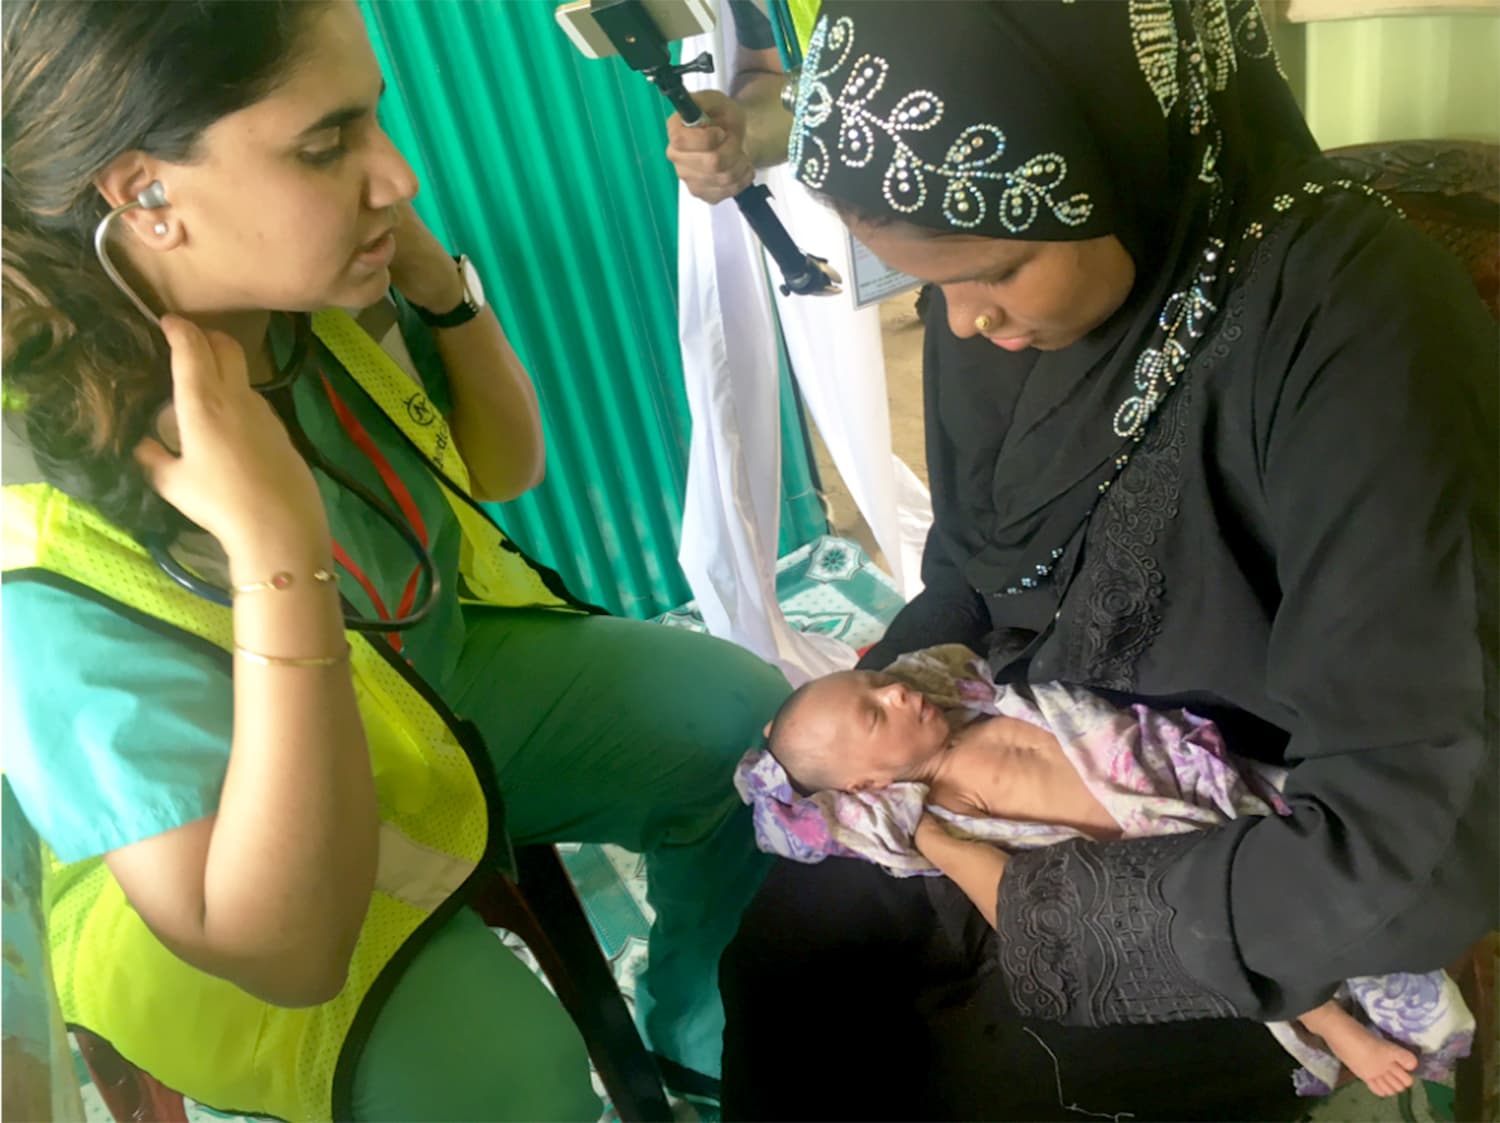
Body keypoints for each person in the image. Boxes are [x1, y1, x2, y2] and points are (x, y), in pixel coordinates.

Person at [680, 2, 1497, 1119]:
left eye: (995, 271)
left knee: (988, 1078)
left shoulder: (1357, 327)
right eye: (930, 282)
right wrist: (879, 754)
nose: (961, 324)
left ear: (1109, 151)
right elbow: (968, 570)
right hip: (995, 757)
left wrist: (1038, 899)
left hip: (1224, 838)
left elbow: (1410, 840)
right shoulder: (999, 315)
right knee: (783, 976)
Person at [1, 2, 789, 1120]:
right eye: (326, 144)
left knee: (758, 739)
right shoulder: (29, 497)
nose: (398, 176)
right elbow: (280, 951)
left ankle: (704, 1060)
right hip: (223, 858)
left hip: (425, 691)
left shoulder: (303, 285)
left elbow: (505, 463)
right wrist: (277, 554)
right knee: (501, 1080)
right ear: (143, 192)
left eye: (376, 119)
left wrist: (438, 291)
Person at [745, 645, 1474, 1101]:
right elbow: (1001, 894)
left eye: (878, 682)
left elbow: (945, 663)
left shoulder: (965, 700)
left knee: (1321, 841)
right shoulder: (932, 810)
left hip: (1182, 774)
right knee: (1228, 939)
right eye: (877, 715)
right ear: (871, 785)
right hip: (1155, 848)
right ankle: (1332, 1023)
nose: (898, 694)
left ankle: (1402, 910)